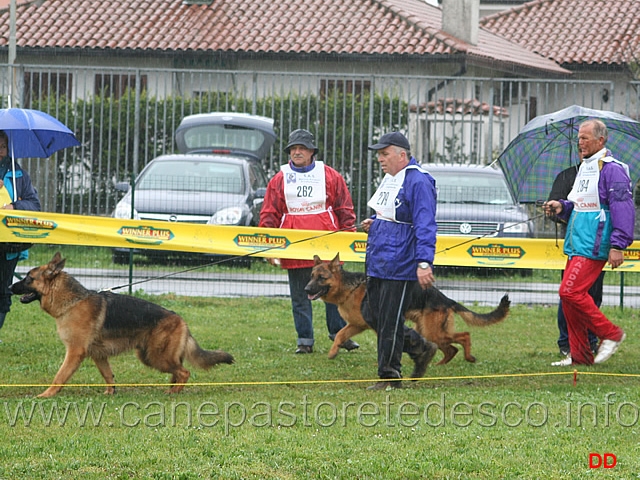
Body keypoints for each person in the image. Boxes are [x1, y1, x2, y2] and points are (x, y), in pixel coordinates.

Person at [259, 128, 359, 354]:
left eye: (301, 148)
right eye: (293, 148)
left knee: (335, 294)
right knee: (300, 296)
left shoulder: (331, 176)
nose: (297, 152)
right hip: (294, 248)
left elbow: (344, 208)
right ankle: (304, 340)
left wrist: (348, 238)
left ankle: (339, 335)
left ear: (312, 152)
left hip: (329, 247)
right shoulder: (279, 179)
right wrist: (269, 246)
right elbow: (269, 214)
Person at [543, 119, 634, 366]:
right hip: (577, 242)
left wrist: (618, 246)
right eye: (579, 138)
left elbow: (623, 208)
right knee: (570, 297)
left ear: (600, 140)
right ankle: (581, 356)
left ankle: (611, 334)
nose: (579, 143)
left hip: (595, 243)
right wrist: (561, 206)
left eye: (585, 138)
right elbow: (578, 204)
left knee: (569, 291)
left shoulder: (612, 169)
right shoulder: (586, 166)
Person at [361, 131, 439, 390]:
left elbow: (425, 224)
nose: (380, 159)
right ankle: (420, 348)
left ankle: (389, 375)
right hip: (379, 257)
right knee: (370, 313)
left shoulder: (418, 182)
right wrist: (376, 222)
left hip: (400, 261)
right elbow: (394, 213)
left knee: (390, 319)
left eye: (385, 154)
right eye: (379, 155)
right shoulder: (390, 178)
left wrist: (424, 262)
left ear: (402, 155)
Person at [547, 158, 603, 357]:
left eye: (585, 142)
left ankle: (591, 339)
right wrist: (557, 210)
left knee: (593, 295)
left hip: (596, 246)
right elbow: (554, 212)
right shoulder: (566, 176)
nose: (582, 150)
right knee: (569, 294)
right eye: (579, 145)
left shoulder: (604, 174)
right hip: (575, 247)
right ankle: (566, 341)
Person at [0, 130, 42, 340]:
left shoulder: (19, 176)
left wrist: (13, 206)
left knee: (2, 289)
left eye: (3, 147)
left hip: (9, 246)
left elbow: (35, 206)